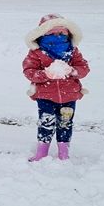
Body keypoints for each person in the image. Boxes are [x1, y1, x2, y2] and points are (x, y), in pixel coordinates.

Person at [23, 13, 90, 162]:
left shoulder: (72, 51)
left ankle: (63, 153)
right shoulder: (37, 52)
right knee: (46, 123)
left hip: (69, 96)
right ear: (42, 34)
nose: (57, 36)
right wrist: (46, 74)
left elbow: (84, 67)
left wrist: (72, 71)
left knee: (65, 124)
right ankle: (42, 152)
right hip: (45, 96)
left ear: (68, 33)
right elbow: (29, 71)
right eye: (52, 33)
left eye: (61, 33)